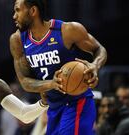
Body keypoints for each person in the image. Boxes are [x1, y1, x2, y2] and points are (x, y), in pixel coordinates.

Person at [9, 0, 107, 134]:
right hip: (53, 107)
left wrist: (95, 66)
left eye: (17, 10)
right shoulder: (18, 40)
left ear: (33, 11)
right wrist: (52, 84)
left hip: (77, 102)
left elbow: (99, 49)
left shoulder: (67, 30)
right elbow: (25, 82)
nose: (14, 16)